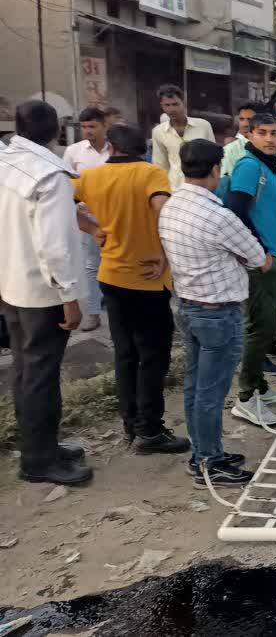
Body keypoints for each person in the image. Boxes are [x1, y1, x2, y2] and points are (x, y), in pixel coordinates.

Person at [74, 123, 189, 454]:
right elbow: (164, 212)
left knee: (125, 354)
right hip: (148, 279)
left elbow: (58, 203)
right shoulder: (151, 174)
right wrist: (165, 255)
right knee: (153, 356)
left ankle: (130, 423)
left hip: (111, 277)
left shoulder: (90, 178)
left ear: (111, 146)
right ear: (145, 147)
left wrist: (92, 228)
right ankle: (150, 431)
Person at [159, 139, 267, 487]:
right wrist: (234, 256)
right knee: (211, 392)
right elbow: (258, 258)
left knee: (195, 388)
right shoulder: (219, 216)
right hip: (218, 313)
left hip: (189, 307)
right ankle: (210, 462)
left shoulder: (172, 205)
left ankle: (204, 453)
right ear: (217, 170)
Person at [0, 101, 94, 485]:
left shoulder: (6, 163)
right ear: (58, 131)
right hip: (43, 293)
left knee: (25, 370)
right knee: (40, 374)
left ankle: (40, 446)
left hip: (13, 285)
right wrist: (69, 296)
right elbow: (54, 246)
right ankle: (39, 461)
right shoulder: (50, 176)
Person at [226, 113, 276, 426]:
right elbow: (236, 210)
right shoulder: (249, 166)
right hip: (261, 263)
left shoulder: (267, 165)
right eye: (262, 133)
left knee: (265, 326)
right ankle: (246, 397)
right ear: (249, 135)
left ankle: (260, 388)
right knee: (260, 328)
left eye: (274, 133)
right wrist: (259, 252)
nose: (270, 139)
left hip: (272, 258)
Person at [61, 106, 110, 332]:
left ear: (104, 126)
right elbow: (66, 183)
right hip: (88, 214)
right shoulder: (74, 151)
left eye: (93, 126)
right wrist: (75, 209)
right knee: (91, 264)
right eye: (84, 127)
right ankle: (92, 313)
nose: (88, 131)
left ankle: (112, 301)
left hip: (116, 212)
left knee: (114, 259)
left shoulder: (115, 148)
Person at [151, 84, 215, 189]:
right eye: (167, 105)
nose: (172, 109)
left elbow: (214, 158)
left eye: (175, 104)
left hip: (203, 187)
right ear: (162, 106)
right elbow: (160, 165)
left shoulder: (203, 126)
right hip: (174, 189)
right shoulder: (158, 132)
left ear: (183, 103)